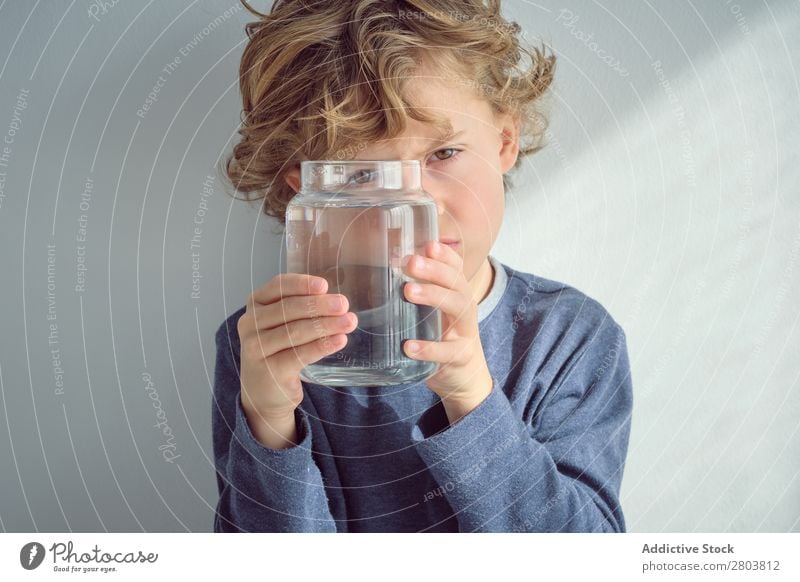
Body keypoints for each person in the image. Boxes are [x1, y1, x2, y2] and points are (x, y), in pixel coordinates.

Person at [212, 0, 633, 532]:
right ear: (309, 185)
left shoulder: (570, 338)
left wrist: (471, 398)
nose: (420, 210)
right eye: (365, 175)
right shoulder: (266, 347)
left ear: (506, 140)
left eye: (444, 154)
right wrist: (269, 426)